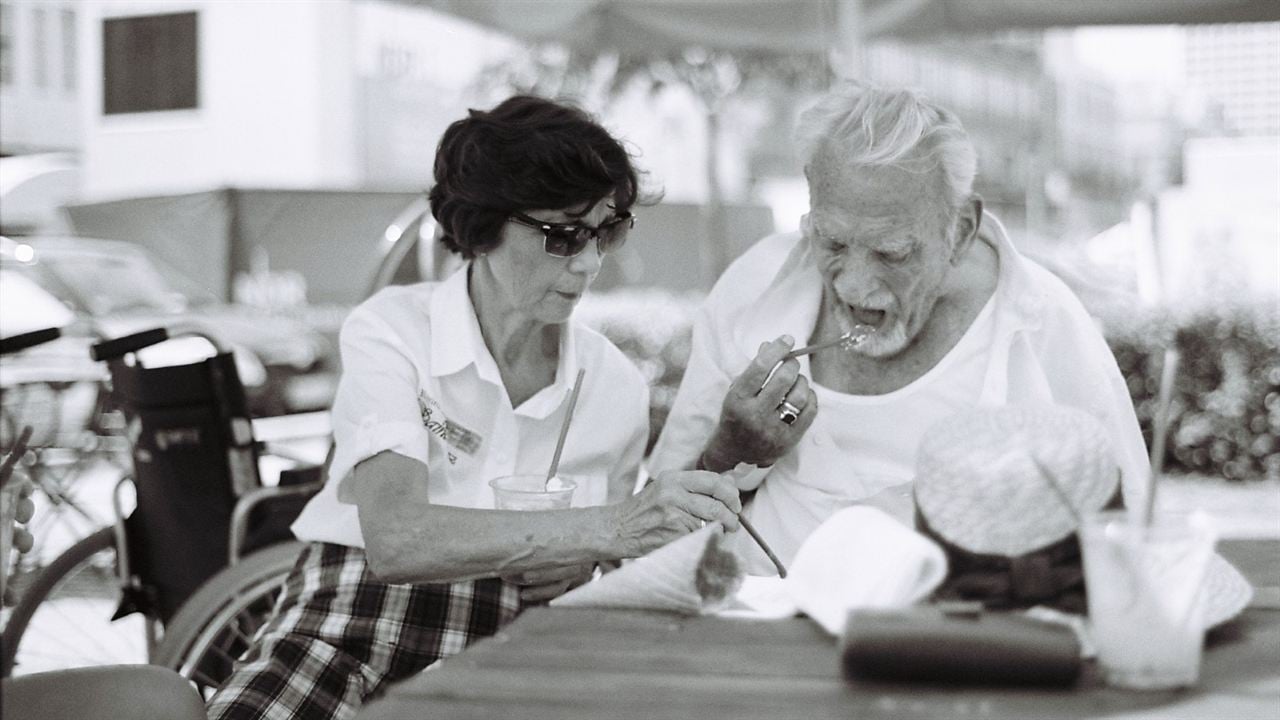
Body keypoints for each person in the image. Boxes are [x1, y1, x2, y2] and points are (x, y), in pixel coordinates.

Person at [207, 96, 741, 720]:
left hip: (513, 641)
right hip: (349, 610)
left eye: (608, 230)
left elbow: (591, 567)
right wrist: (611, 526)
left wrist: (575, 567)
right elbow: (397, 540)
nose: (591, 263)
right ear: (482, 226)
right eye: (564, 235)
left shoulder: (615, 387)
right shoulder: (395, 330)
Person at [649, 81, 1147, 576]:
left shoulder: (1042, 321)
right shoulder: (753, 287)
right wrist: (729, 451)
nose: (855, 286)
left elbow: (1128, 543)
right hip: (757, 626)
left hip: (953, 637)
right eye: (832, 243)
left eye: (892, 253)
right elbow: (652, 539)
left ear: (961, 230)